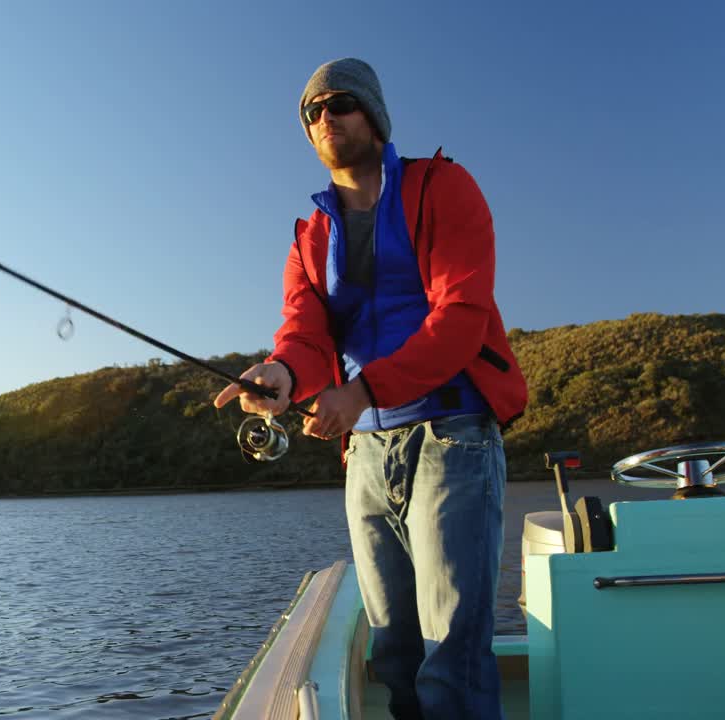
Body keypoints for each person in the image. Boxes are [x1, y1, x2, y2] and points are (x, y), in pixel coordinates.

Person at [213, 58, 528, 719]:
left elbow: (461, 319)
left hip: (453, 436)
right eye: (313, 111)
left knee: (453, 657)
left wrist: (362, 391)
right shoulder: (308, 238)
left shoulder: (443, 187)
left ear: (376, 115)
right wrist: (283, 374)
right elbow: (305, 333)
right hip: (366, 455)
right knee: (397, 657)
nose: (326, 117)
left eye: (341, 103)